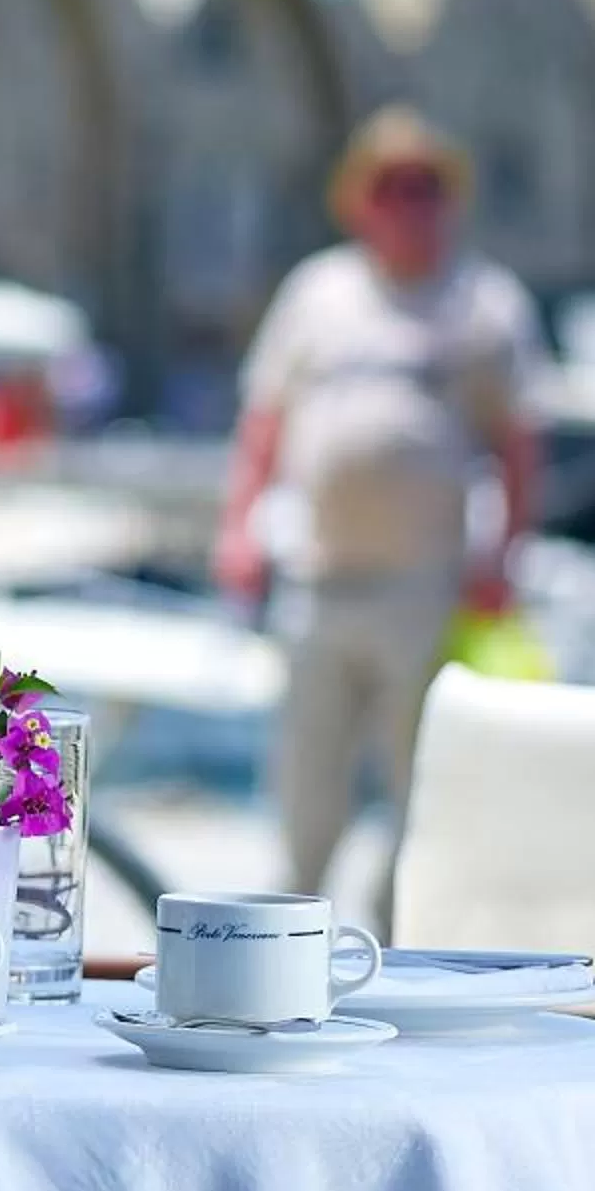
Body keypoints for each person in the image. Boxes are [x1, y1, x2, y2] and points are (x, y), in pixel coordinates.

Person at [213, 106, 541, 901]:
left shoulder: (485, 304)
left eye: (426, 186)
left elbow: (520, 442)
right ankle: (293, 923)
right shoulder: (318, 293)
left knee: (418, 784)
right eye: (392, 186)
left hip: (424, 583)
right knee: (306, 784)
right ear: (360, 199)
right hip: (319, 577)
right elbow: (264, 424)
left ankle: (395, 945)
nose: (410, 203)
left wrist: (505, 556)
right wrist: (239, 531)